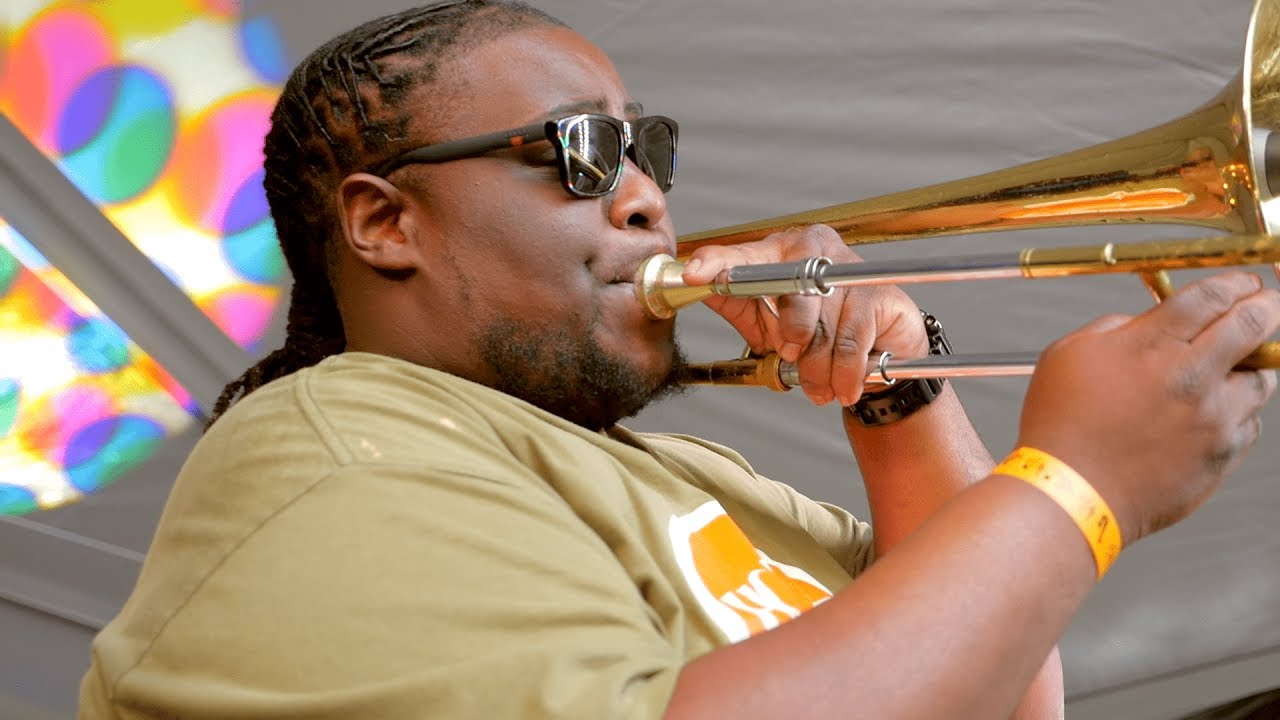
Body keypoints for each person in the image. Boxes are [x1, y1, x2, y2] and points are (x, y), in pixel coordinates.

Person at [77, 2, 1280, 718]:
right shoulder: (331, 445)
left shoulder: (704, 478)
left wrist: (898, 397)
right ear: (385, 223)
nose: (648, 196)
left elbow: (996, 692)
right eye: (583, 151)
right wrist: (1075, 487)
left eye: (646, 148)